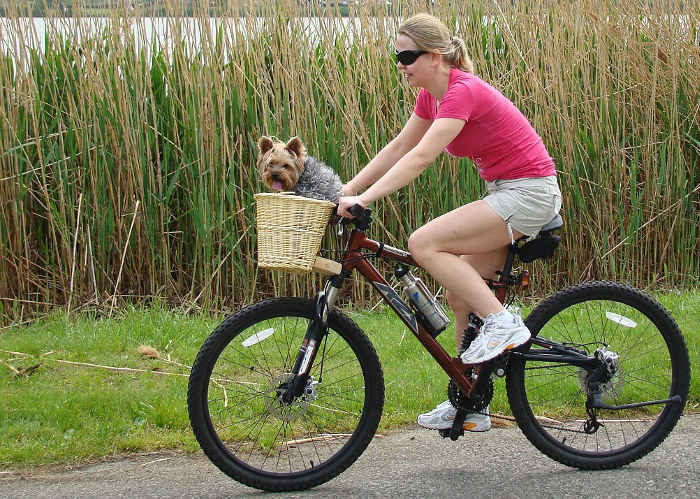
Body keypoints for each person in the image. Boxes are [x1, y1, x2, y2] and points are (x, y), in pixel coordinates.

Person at [337, 13, 562, 432]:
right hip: (506, 193)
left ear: (436, 56)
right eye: (396, 56)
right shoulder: (432, 96)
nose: (400, 64)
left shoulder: (462, 91)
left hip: (530, 193)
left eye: (407, 55)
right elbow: (401, 145)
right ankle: (469, 400)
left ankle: (504, 323)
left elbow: (421, 158)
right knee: (460, 293)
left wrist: (365, 199)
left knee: (423, 243)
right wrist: (348, 188)